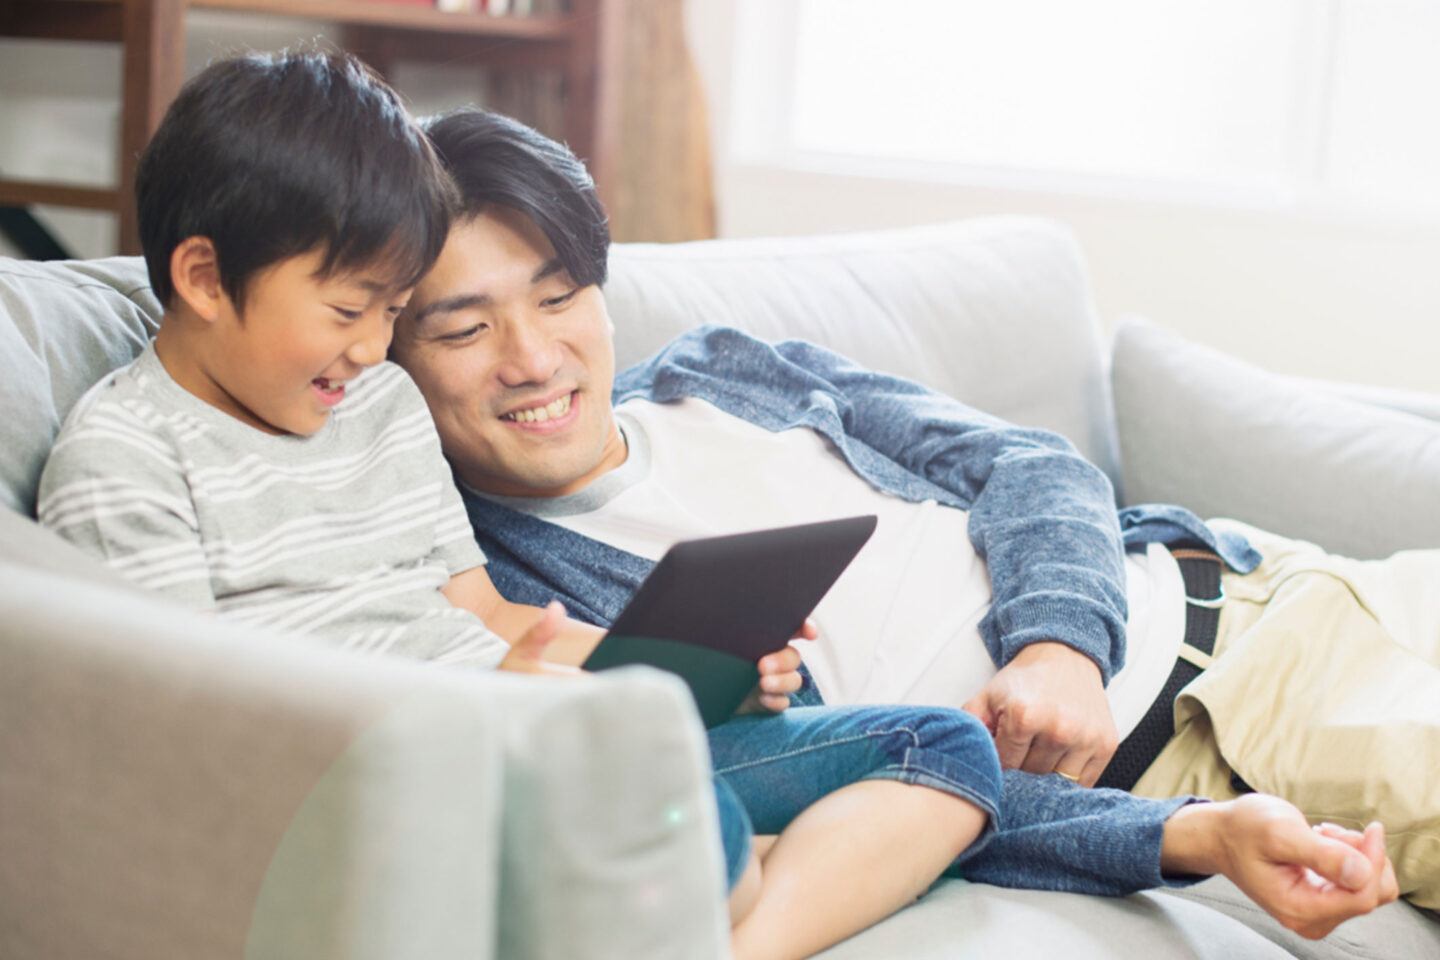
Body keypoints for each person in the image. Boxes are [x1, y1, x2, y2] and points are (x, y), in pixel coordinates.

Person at [30, 49, 1107, 960]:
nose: (371, 348)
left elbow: (489, 618)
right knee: (686, 823)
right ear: (207, 279)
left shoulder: (377, 404)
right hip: (403, 778)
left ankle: (721, 932)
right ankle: (724, 885)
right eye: (352, 309)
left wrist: (664, 667)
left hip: (545, 737)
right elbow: (186, 723)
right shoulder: (124, 460)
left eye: (394, 312)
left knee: (938, 750)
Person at [385, 105, 1434, 928]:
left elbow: (1033, 463)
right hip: (1191, 732)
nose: (532, 358)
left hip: (1258, 591)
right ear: (390, 363)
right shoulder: (523, 608)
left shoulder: (723, 372)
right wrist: (1187, 835)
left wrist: (1060, 645)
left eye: (559, 297)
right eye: (467, 328)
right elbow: (890, 780)